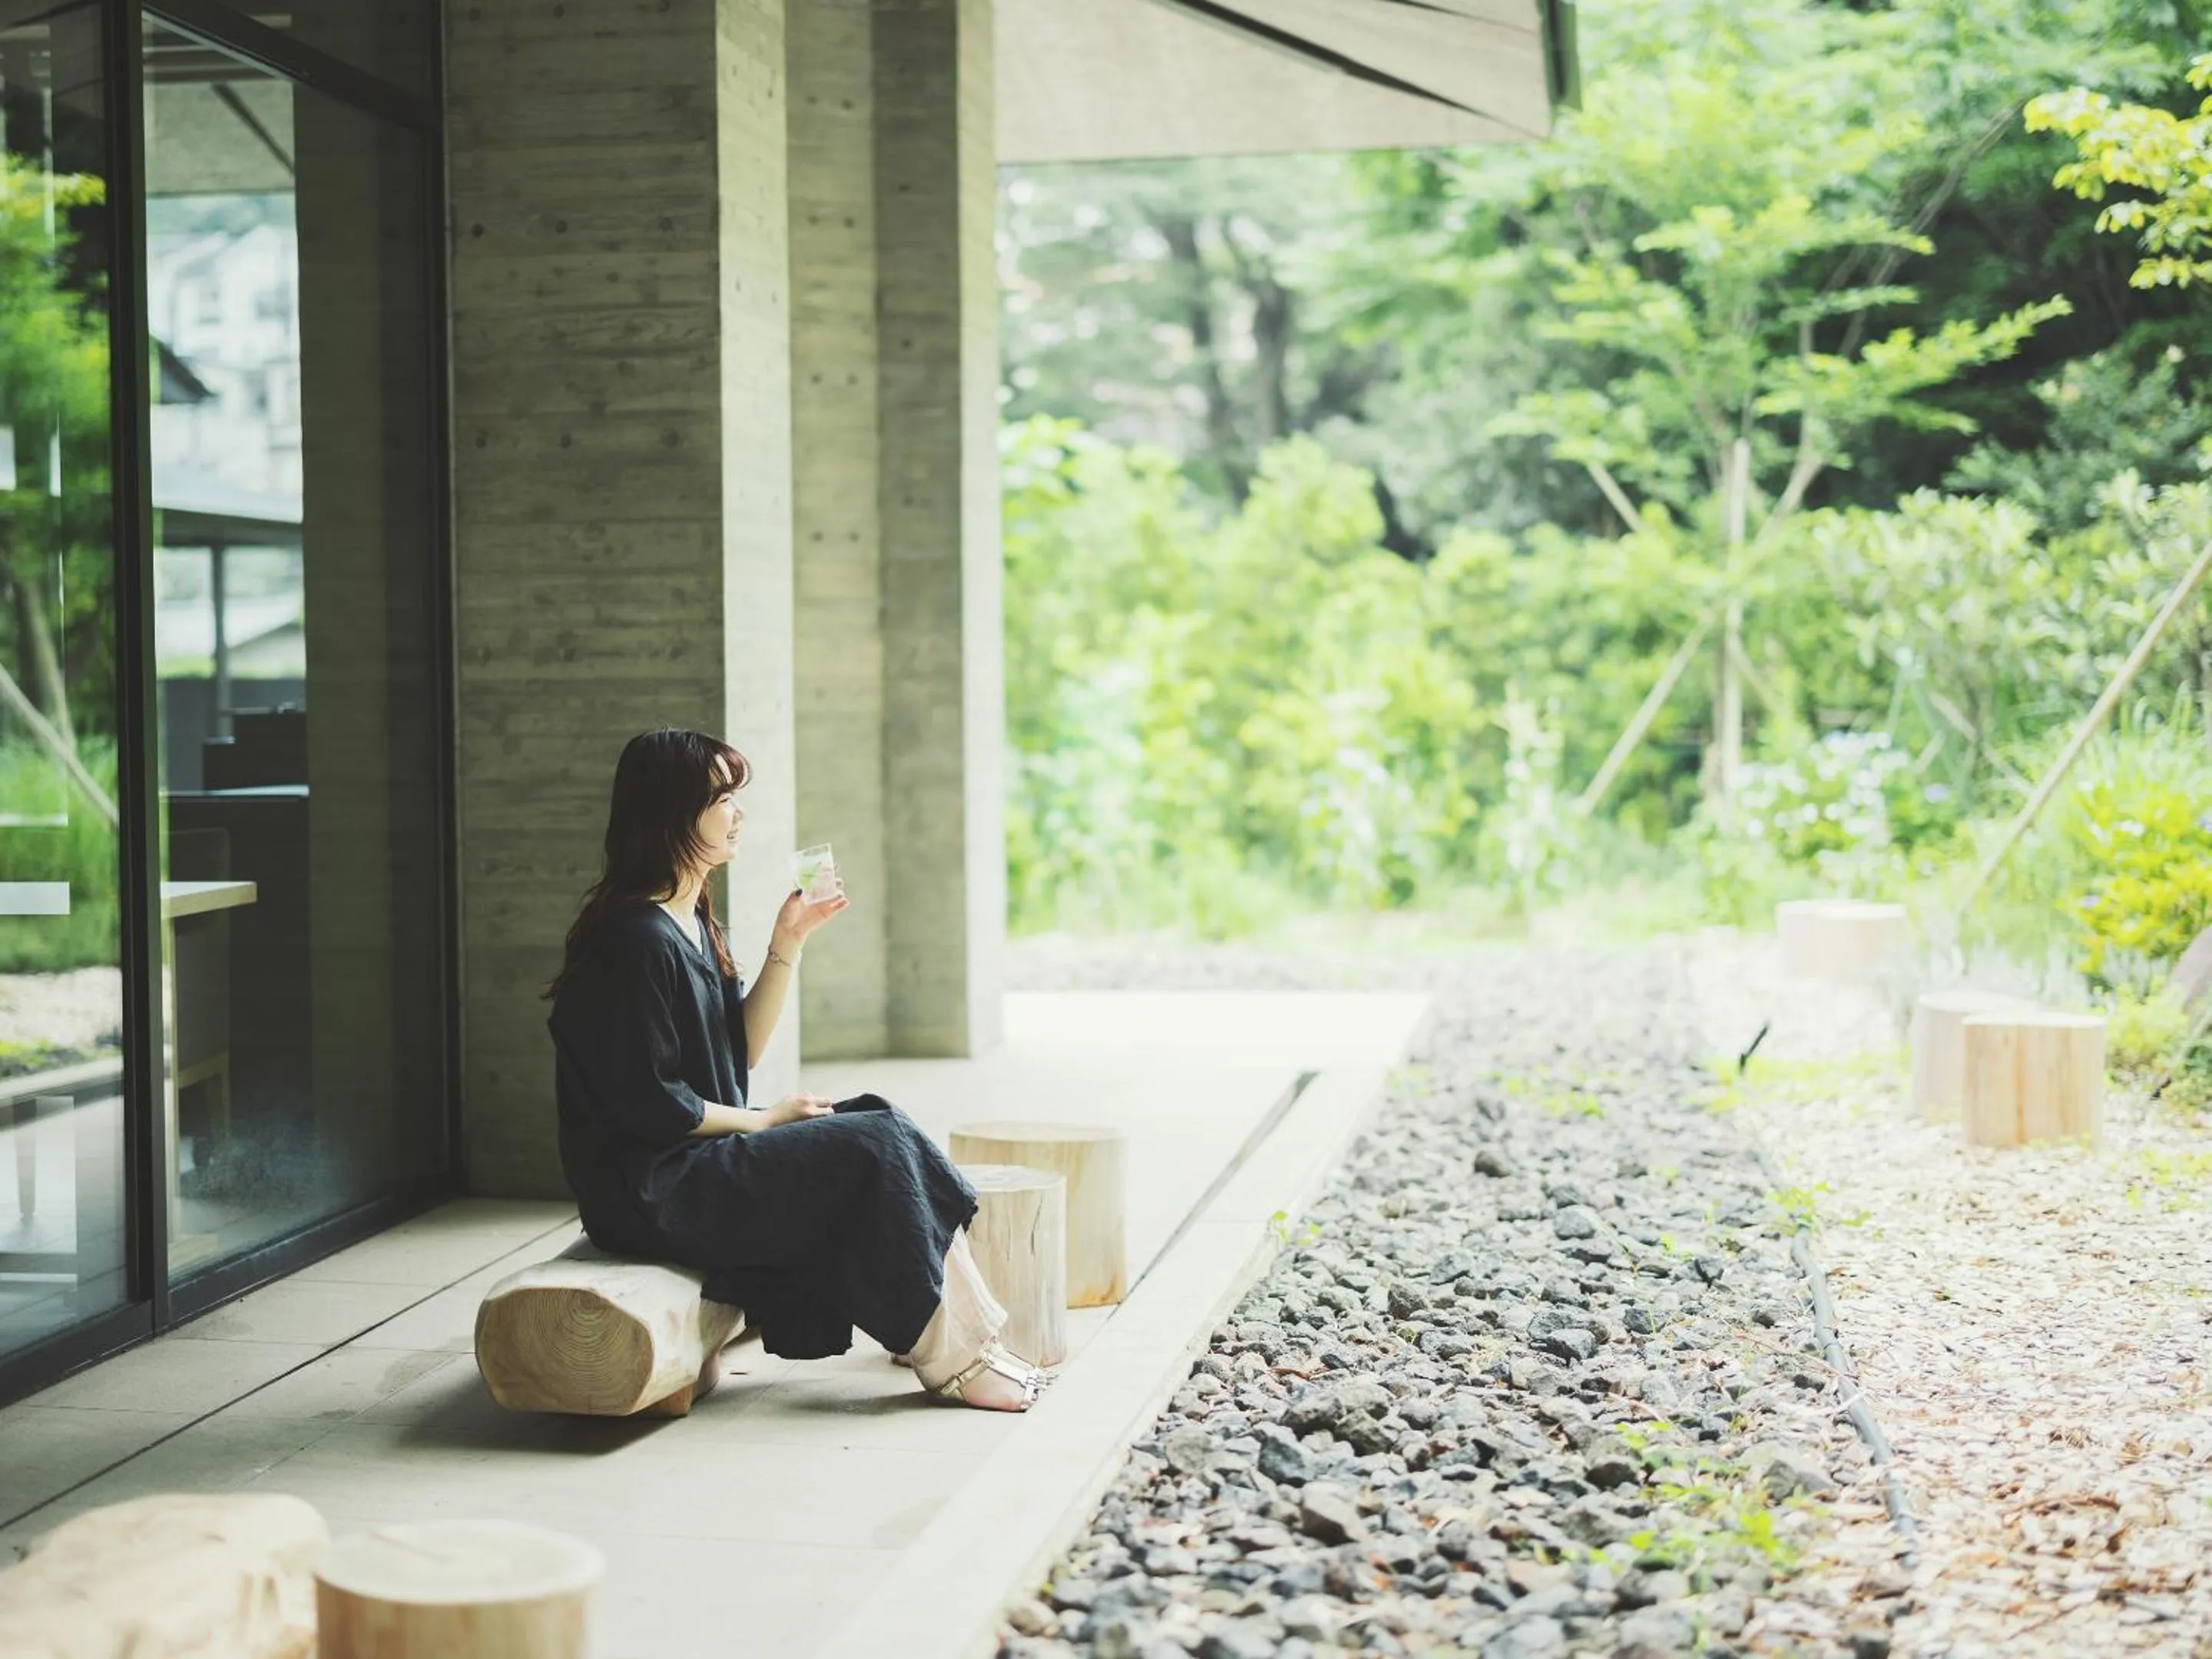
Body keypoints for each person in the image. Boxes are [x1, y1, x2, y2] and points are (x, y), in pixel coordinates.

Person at [545, 728, 1045, 1412]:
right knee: (866, 1147)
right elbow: (650, 1104)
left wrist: (789, 944)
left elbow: (737, 1053)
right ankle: (953, 1361)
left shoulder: (692, 922)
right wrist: (766, 1120)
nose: (737, 813)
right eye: (722, 797)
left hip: (698, 1161)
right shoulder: (631, 940)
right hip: (649, 1187)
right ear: (670, 813)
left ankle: (969, 1337)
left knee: (876, 1117)